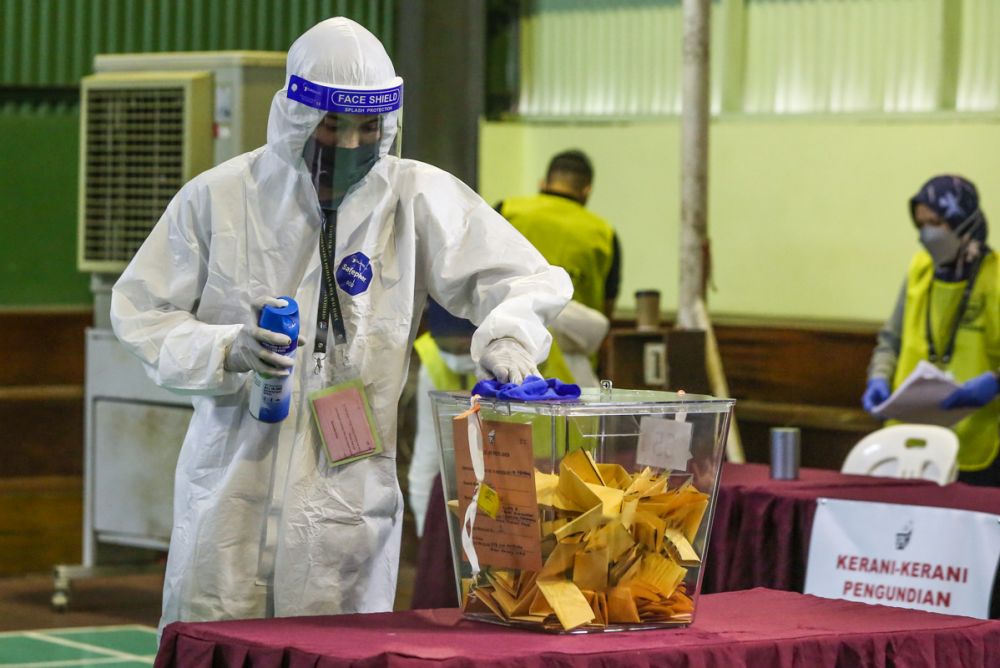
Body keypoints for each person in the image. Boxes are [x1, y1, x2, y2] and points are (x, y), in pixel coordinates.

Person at [110, 17, 571, 629]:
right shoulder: (220, 199)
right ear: (294, 117)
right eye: (332, 124)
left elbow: (527, 279)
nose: (351, 143)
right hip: (229, 499)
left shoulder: (414, 199)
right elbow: (142, 310)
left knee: (337, 643)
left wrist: (511, 331)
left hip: (346, 504)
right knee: (218, 639)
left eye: (367, 127)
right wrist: (225, 350)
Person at [861, 175, 1000, 485]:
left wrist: (994, 382)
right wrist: (879, 377)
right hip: (907, 439)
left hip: (975, 444)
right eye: (920, 224)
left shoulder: (996, 278)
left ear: (963, 222)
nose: (926, 234)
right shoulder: (919, 269)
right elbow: (890, 340)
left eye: (936, 222)